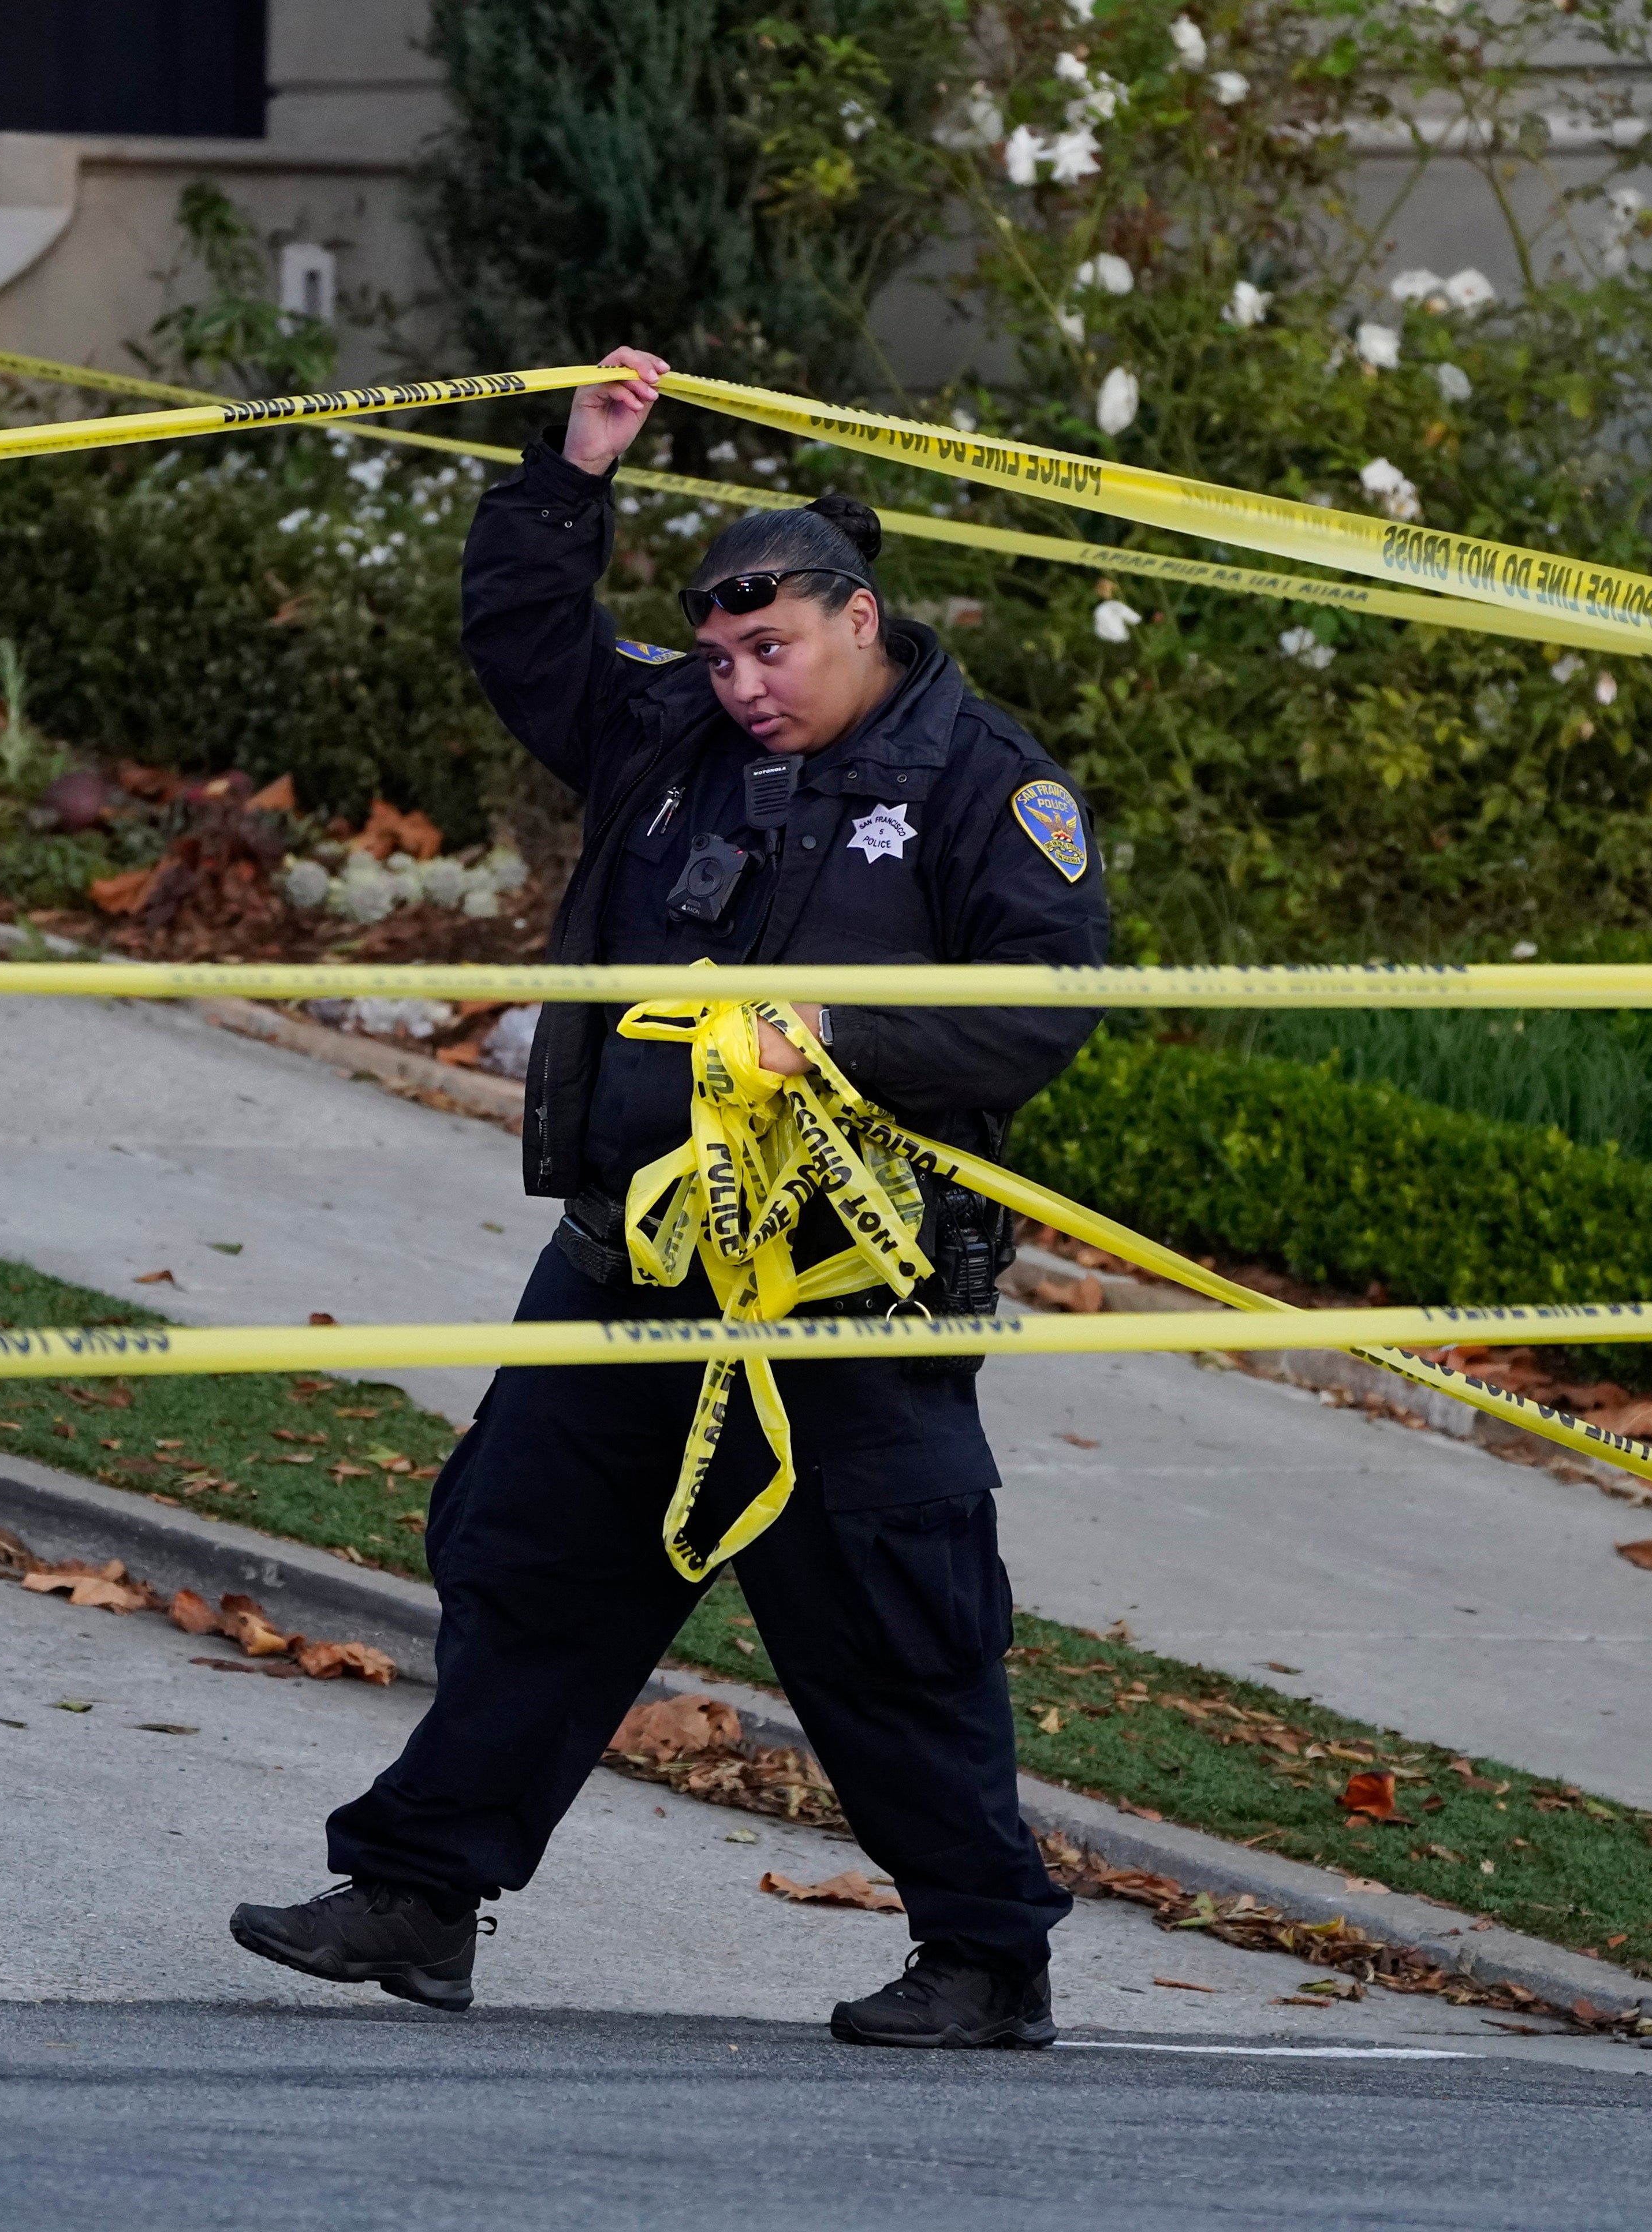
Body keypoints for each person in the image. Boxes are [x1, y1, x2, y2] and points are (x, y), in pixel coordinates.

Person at [229, 346, 1110, 2047]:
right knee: (532, 1562)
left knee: (886, 1625)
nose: (744, 684)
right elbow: (527, 644)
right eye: (718, 654)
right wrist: (573, 473)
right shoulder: (668, 740)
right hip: (635, 1257)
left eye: (772, 650)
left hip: (846, 1290)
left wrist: (836, 1035)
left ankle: (987, 1957)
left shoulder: (987, 783)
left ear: (861, 618)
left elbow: (1049, 1004)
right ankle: (420, 1895)